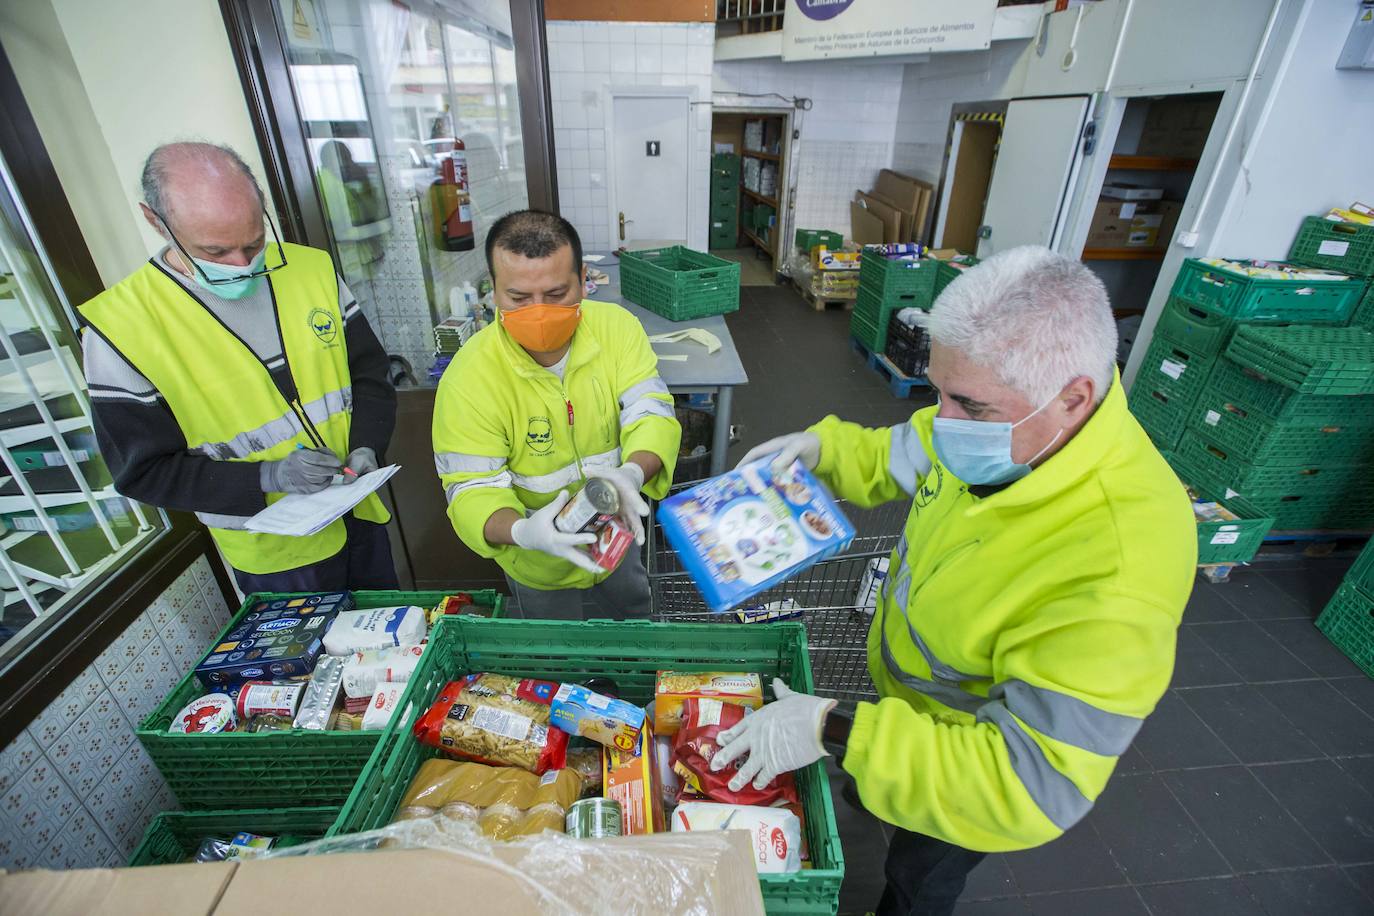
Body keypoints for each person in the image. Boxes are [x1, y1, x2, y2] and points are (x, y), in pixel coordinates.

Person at [713, 247, 1195, 915]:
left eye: (966, 404)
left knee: (922, 875)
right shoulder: (1002, 425)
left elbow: (1029, 785)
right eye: (938, 390)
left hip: (964, 764)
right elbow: (904, 451)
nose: (943, 421)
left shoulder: (1119, 561)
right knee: (890, 811)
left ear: (1073, 398)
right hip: (908, 714)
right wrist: (825, 452)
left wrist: (839, 729)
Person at [79, 141, 398, 593]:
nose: (243, 265)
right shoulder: (121, 329)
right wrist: (268, 476)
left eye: (254, 243)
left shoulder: (311, 269)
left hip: (358, 515)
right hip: (272, 550)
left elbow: (369, 376)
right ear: (156, 221)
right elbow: (143, 472)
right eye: (215, 251)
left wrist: (367, 443)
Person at [432, 210, 681, 619]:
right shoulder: (468, 380)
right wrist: (522, 531)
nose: (539, 313)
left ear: (584, 280)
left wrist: (633, 473)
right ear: (493, 291)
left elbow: (650, 412)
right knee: (556, 654)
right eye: (518, 298)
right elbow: (470, 488)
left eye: (555, 294)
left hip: (616, 537)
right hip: (537, 562)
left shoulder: (618, 329)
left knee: (636, 618)